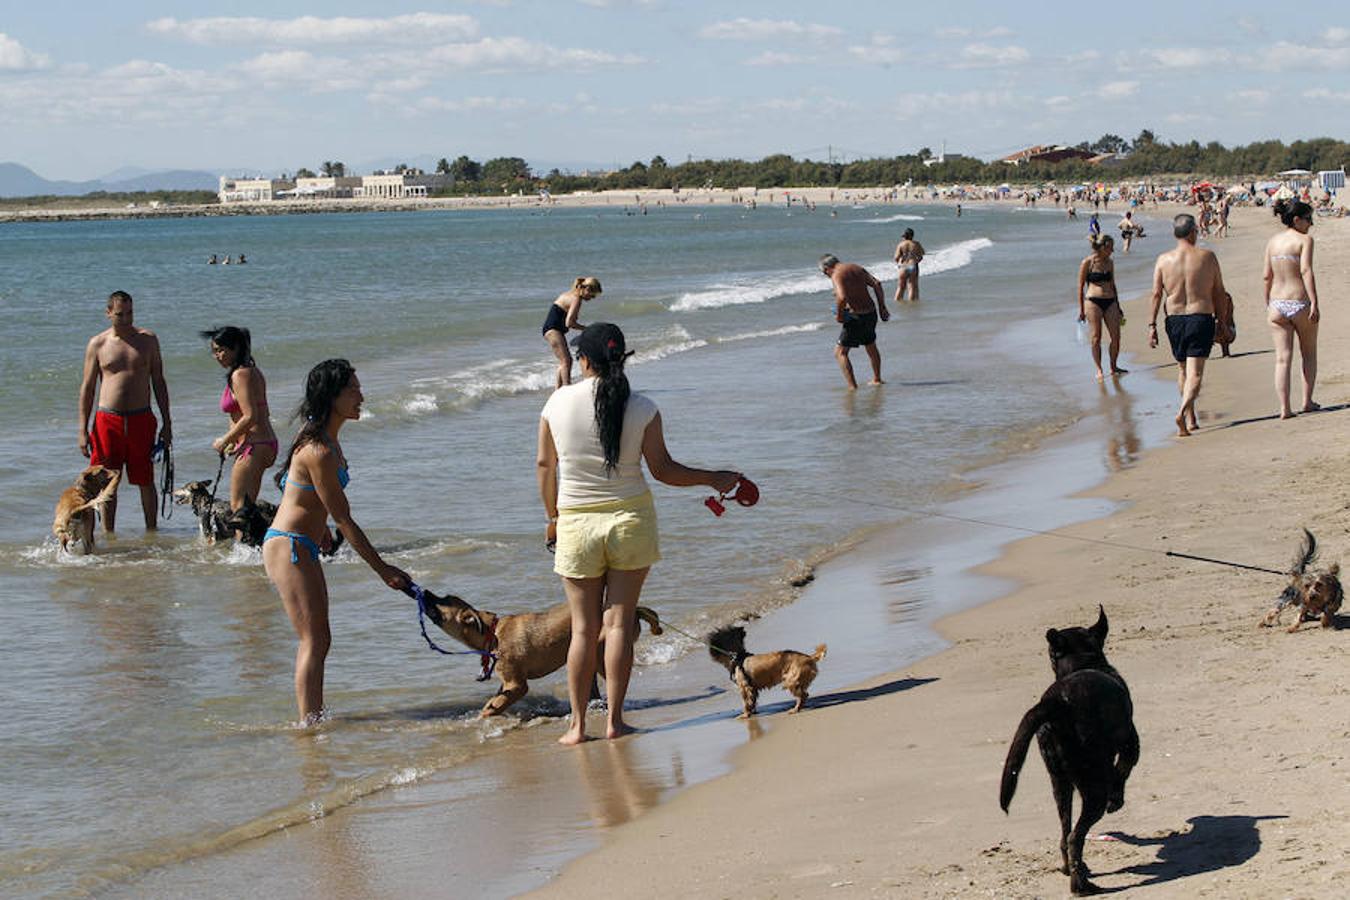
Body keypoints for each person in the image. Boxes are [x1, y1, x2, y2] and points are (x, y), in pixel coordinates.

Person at [538, 324, 740, 744]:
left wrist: (552, 517)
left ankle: (577, 727)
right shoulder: (643, 407)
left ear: (586, 361)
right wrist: (714, 478)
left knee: (581, 629)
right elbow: (664, 470)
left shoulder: (556, 402)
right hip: (631, 522)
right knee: (618, 624)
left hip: (576, 523)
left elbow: (545, 467)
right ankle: (614, 721)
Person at [262, 359, 410, 725]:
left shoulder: (322, 439)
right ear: (332, 397)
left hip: (301, 543)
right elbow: (344, 517)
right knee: (314, 639)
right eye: (353, 390)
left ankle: (314, 718)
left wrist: (320, 525)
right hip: (289, 545)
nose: (361, 396)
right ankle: (308, 726)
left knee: (320, 638)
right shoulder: (319, 450)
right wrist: (382, 569)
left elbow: (291, 488)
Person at [78, 290, 172, 533]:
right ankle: (109, 535)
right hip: (107, 420)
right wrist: (82, 429)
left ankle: (152, 532)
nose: (127, 319)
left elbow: (159, 382)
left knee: (145, 479)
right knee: (107, 482)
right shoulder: (97, 344)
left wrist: (167, 423)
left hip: (141, 418)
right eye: (120, 314)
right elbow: (87, 389)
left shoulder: (148, 340)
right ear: (108, 313)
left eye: (130, 313)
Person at [1147, 214, 1231, 437]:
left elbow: (1156, 294)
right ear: (1193, 231)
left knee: (1183, 369)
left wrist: (1152, 325)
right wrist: (1222, 321)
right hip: (1199, 317)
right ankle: (1182, 412)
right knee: (1195, 373)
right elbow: (1219, 292)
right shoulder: (1207, 257)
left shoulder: (1163, 260)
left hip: (1174, 320)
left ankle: (1192, 419)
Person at [200, 326, 278, 513]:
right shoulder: (251, 371)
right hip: (262, 444)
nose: (216, 356)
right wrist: (235, 441)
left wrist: (224, 440)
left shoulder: (240, 375)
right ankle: (252, 543)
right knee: (246, 510)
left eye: (220, 350)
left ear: (235, 348)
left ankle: (244, 543)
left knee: (238, 509)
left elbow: (251, 416)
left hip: (255, 446)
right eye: (214, 352)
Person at [1263, 199, 1320, 418]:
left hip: (1276, 303)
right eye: (1308, 219)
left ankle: (1284, 408)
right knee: (1309, 352)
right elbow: (1306, 270)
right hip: (1299, 301)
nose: (1311, 224)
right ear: (1296, 220)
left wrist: (1267, 301)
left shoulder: (1273, 242)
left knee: (1282, 358)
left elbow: (1266, 275)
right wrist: (1314, 301)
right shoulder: (1305, 240)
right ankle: (1307, 401)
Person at [821, 254, 890, 389]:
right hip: (871, 313)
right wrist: (882, 307)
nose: (827, 276)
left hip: (856, 317)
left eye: (825, 274)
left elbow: (842, 298)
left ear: (827, 268)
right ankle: (877, 379)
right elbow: (877, 284)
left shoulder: (836, 274)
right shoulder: (856, 268)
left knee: (840, 352)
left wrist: (839, 316)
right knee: (870, 344)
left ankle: (852, 386)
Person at [1077, 235, 1127, 381]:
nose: (1112, 250)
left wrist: (1118, 305)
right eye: (1110, 247)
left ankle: (1113, 366)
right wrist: (1081, 310)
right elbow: (1080, 287)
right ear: (1103, 247)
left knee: (1116, 336)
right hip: (1093, 302)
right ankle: (1099, 369)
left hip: (1110, 301)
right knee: (1096, 337)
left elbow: (1113, 284)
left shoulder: (1110, 262)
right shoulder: (1087, 262)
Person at [542, 277, 603, 388]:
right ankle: (566, 388)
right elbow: (569, 323)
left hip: (552, 329)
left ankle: (558, 390)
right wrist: (586, 329)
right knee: (567, 361)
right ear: (587, 289)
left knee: (563, 362)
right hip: (553, 330)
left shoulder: (571, 294)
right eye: (592, 295)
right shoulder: (576, 299)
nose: (592, 298)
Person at [893, 228, 925, 302]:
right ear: (912, 236)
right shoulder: (916, 244)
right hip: (912, 265)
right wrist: (917, 260)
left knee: (900, 287)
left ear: (905, 236)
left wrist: (899, 264)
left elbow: (896, 257)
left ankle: (897, 303)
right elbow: (921, 254)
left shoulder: (901, 244)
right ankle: (911, 305)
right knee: (912, 286)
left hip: (903, 266)